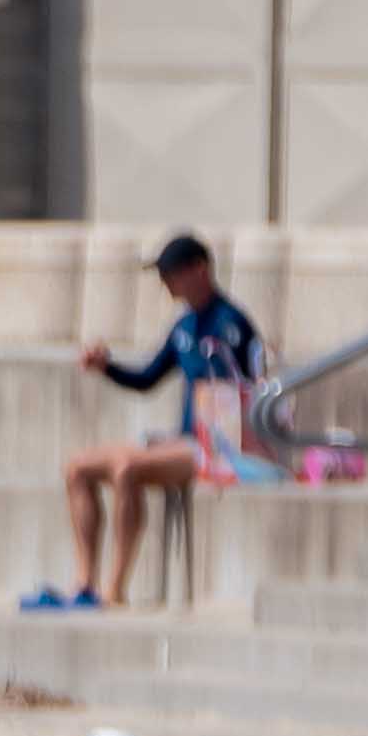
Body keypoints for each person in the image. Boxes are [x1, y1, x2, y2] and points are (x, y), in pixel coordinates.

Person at [61, 233, 268, 610]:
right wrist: (106, 367)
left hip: (217, 446)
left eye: (171, 273)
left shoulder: (231, 324)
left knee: (126, 468)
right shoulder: (184, 328)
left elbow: (253, 385)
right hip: (184, 441)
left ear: (199, 269)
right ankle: (85, 581)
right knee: (78, 468)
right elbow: (147, 379)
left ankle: (115, 589)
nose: (166, 282)